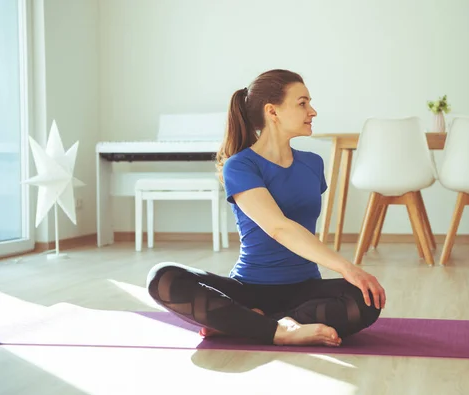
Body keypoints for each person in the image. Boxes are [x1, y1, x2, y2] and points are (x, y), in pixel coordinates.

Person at [146, 69, 386, 347]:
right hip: (248, 289)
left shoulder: (313, 163)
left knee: (365, 300)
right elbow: (278, 227)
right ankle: (281, 330)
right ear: (273, 112)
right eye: (303, 103)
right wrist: (348, 267)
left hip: (305, 289)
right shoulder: (240, 165)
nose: (313, 111)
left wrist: (352, 277)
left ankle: (246, 322)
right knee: (162, 278)